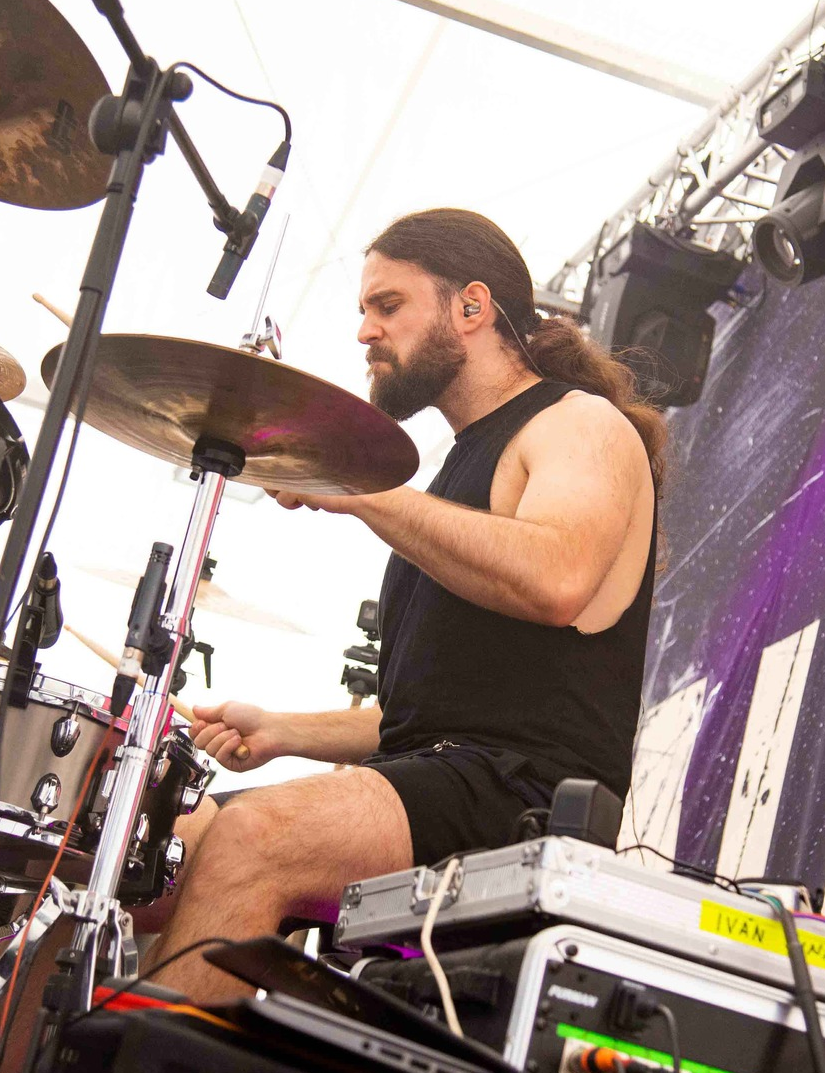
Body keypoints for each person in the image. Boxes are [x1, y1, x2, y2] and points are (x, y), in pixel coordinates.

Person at [147, 207, 665, 1001]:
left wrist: (360, 490)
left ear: (471, 307)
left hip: (522, 802)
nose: (364, 331)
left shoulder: (578, 424)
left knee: (256, 837)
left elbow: (557, 579)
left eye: (387, 306)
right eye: (362, 310)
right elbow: (430, 716)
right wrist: (287, 730)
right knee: (159, 841)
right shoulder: (453, 472)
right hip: (438, 779)